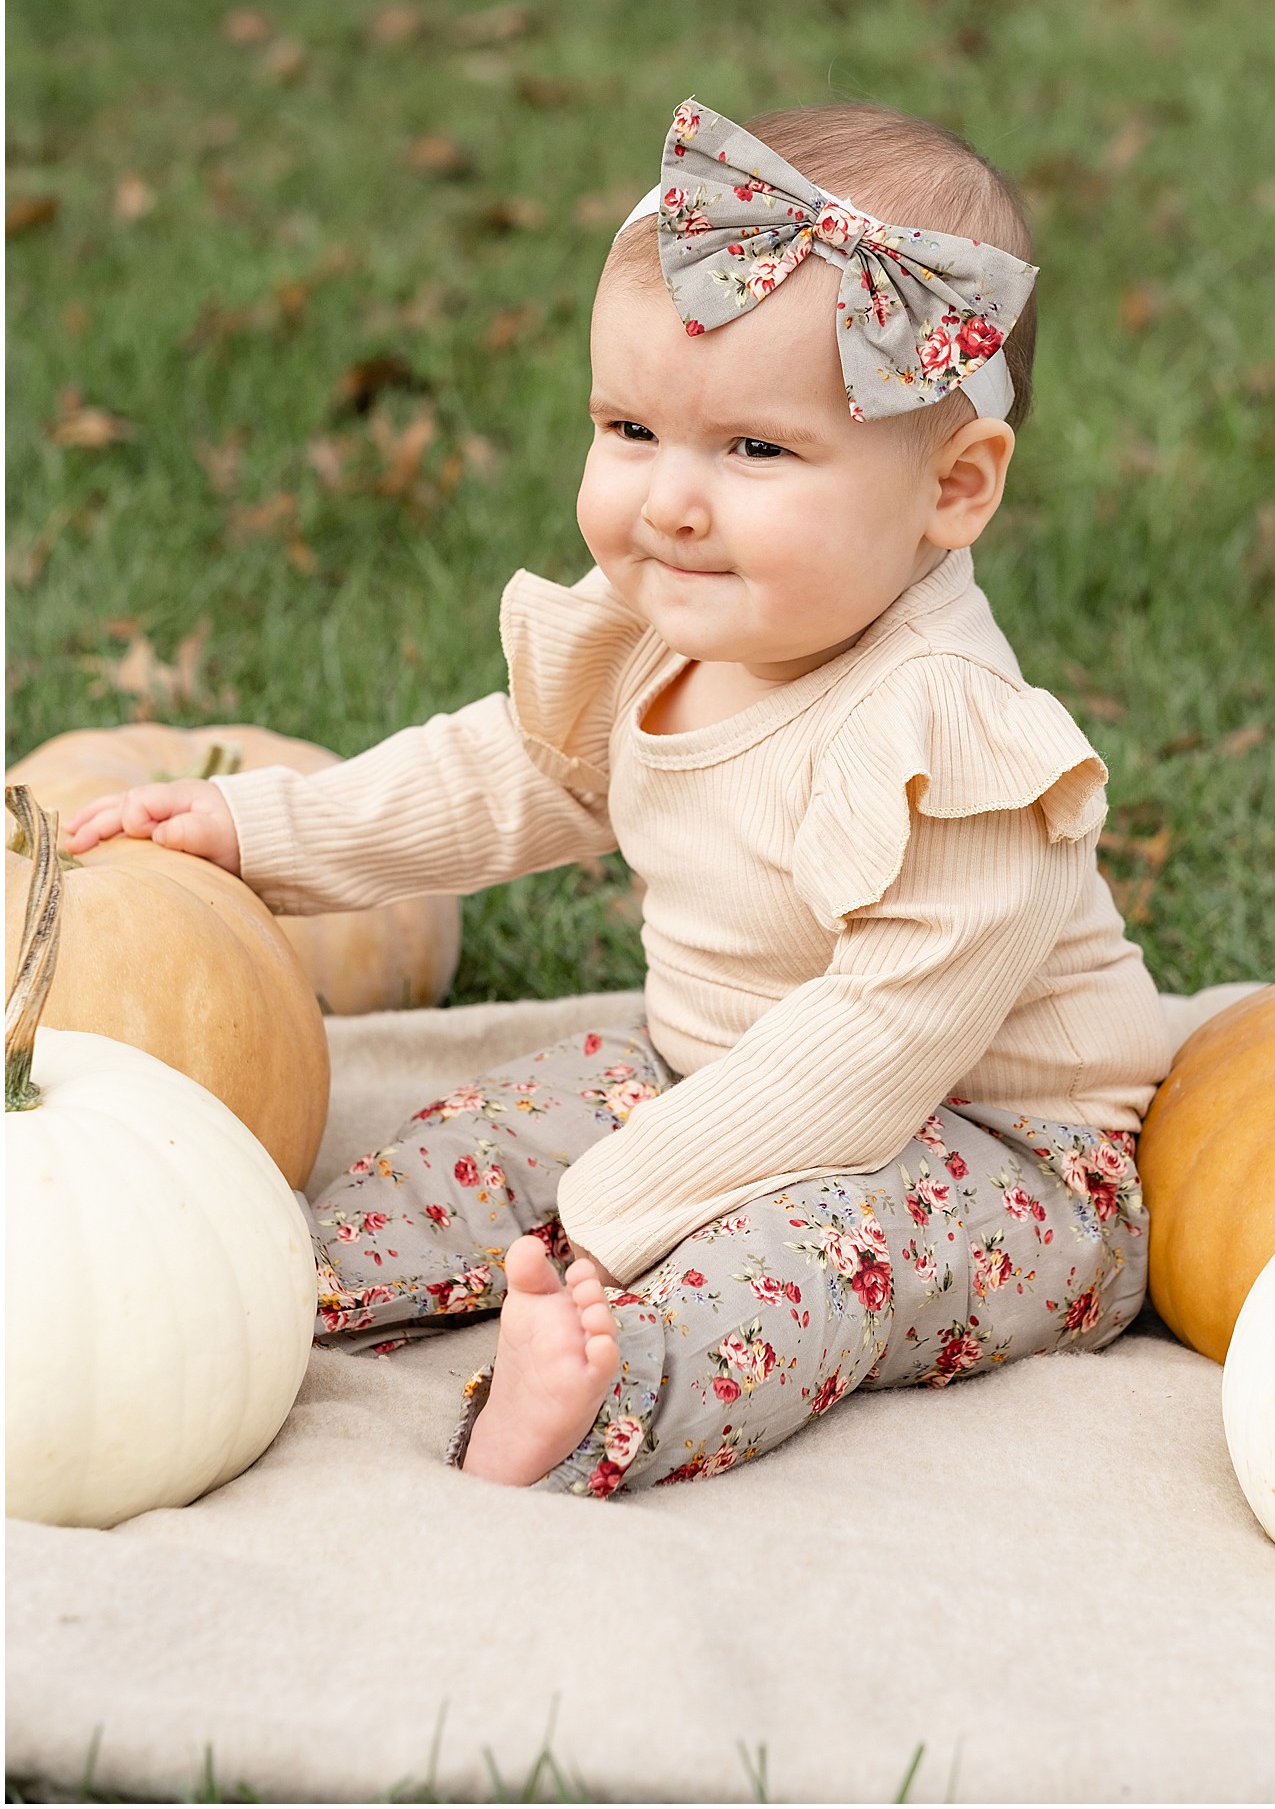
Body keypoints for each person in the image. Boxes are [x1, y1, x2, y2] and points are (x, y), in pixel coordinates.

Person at [66, 98, 1171, 1497]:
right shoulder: (678, 619)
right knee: (498, 1131)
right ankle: (271, 1283)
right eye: (633, 427)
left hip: (999, 1157)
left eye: (757, 451)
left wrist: (625, 1210)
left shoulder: (944, 741)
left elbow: (867, 1056)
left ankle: (605, 1388)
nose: (671, 502)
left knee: (807, 1266)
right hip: (711, 1069)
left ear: (955, 488)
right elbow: (513, 771)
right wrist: (264, 829)